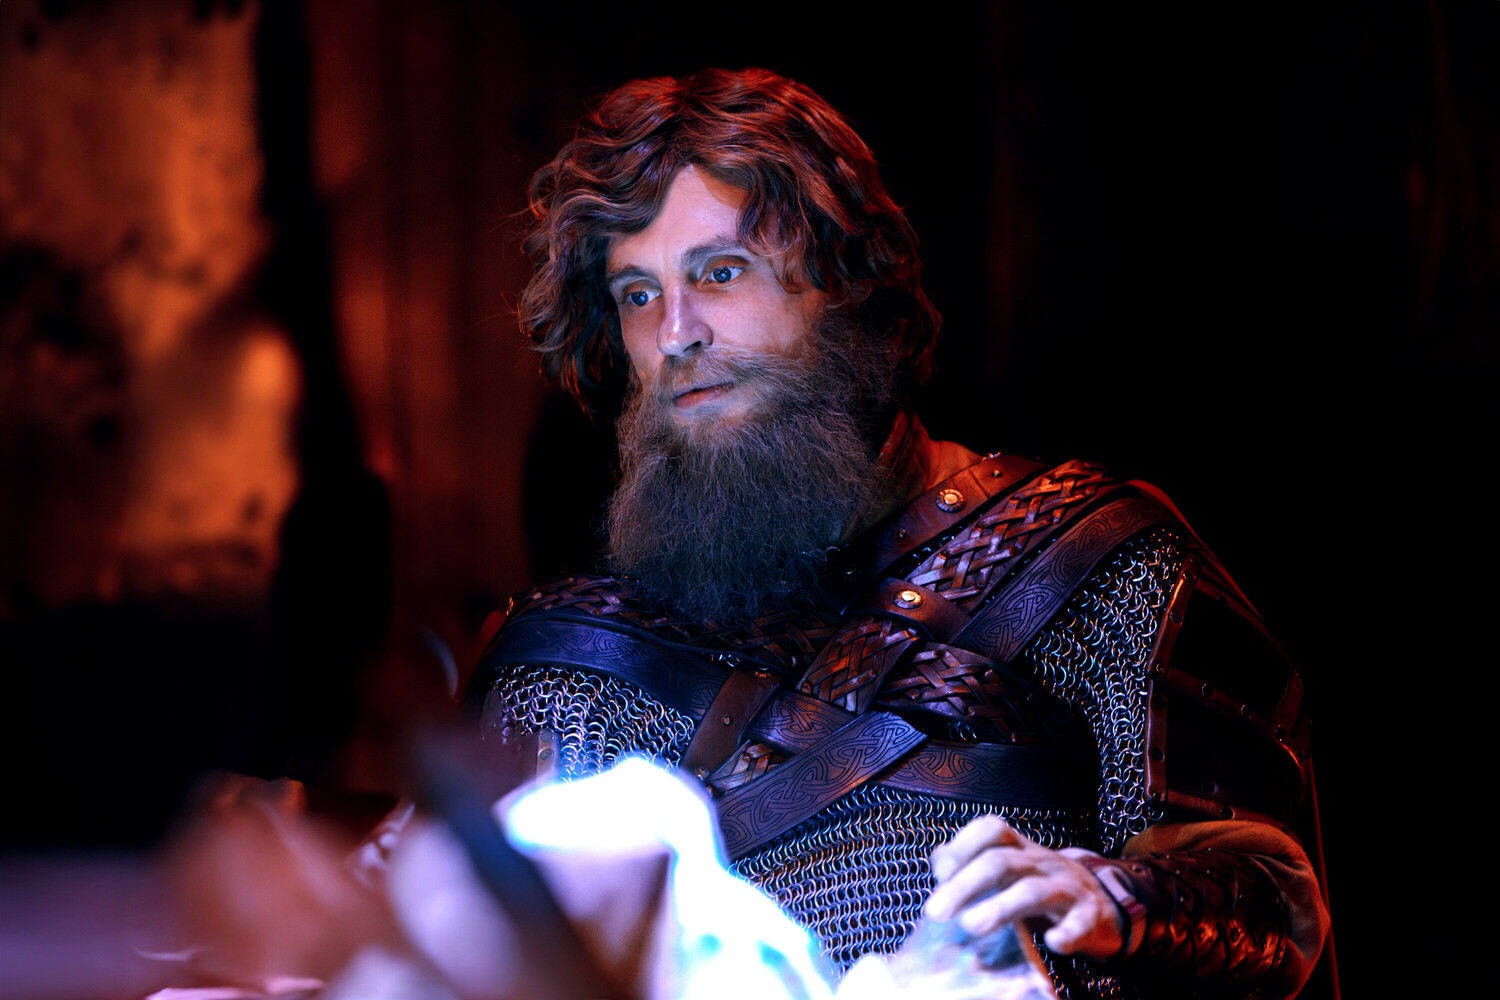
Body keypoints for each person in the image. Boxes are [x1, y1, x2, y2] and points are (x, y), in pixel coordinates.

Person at [469, 68, 1330, 999]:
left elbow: (1273, 906)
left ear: (841, 285)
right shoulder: (566, 668)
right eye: (638, 293)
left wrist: (1116, 896)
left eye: (721, 272)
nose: (676, 333)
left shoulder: (1089, 564)